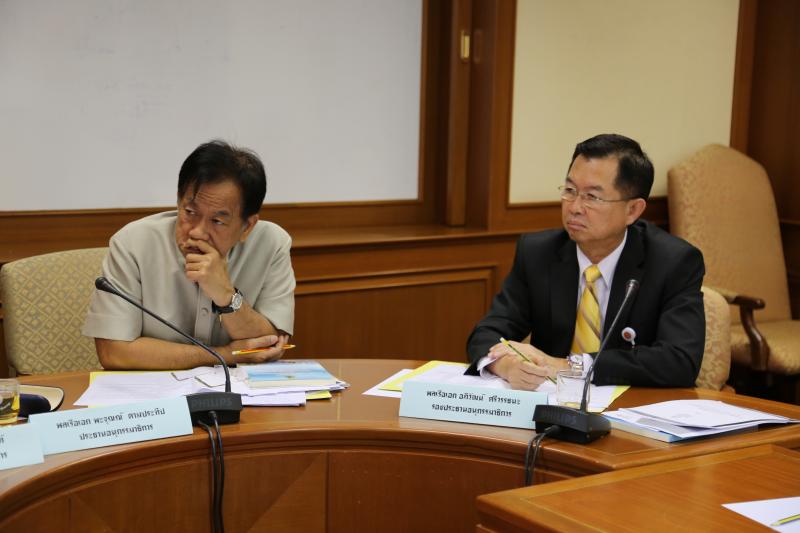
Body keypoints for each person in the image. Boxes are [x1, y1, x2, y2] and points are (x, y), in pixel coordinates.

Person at [466, 133, 705, 389]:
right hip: (551, 402)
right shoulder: (538, 253)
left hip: (630, 404)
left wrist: (570, 366)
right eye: (570, 191)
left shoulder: (673, 262)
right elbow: (487, 333)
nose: (575, 207)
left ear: (633, 210)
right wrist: (506, 365)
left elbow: (679, 360)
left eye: (592, 196)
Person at [83, 140, 295, 369]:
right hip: (154, 390)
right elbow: (113, 352)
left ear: (247, 227)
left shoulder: (272, 244)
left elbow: (270, 344)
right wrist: (225, 355)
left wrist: (226, 295)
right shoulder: (132, 244)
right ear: (178, 201)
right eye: (190, 212)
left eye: (217, 221)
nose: (197, 232)